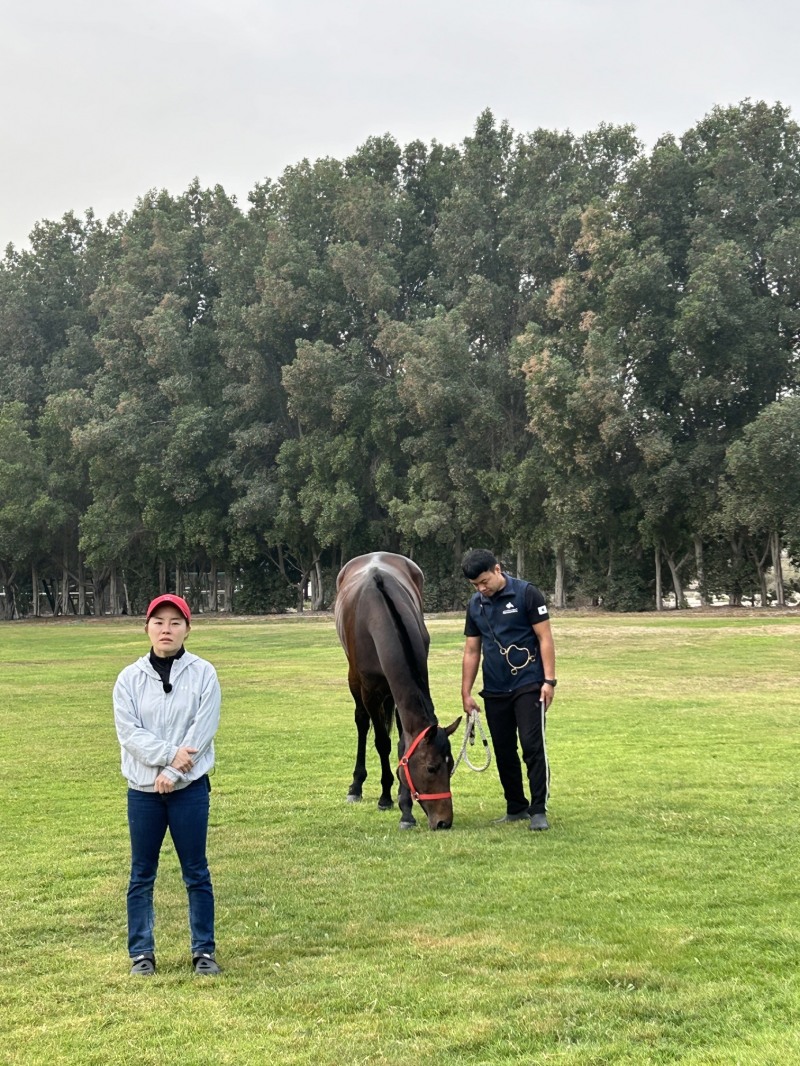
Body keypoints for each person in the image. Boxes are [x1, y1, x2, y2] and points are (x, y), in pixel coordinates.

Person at [113, 593, 222, 976]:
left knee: (196, 871)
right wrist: (167, 758)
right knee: (142, 873)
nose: (166, 629)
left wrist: (175, 772)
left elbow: (203, 729)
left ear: (187, 629)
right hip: (143, 792)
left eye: (175, 622)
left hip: (189, 790)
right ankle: (142, 954)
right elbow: (130, 734)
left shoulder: (204, 673)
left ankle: (203, 952)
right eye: (159, 622)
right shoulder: (129, 678)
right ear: (146, 628)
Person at [461, 549, 556, 831]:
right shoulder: (475, 605)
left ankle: (538, 809)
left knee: (531, 745)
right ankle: (516, 806)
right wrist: (466, 693)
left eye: (484, 581)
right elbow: (471, 650)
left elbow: (545, 637)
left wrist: (549, 681)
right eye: (475, 585)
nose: (481, 588)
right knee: (504, 750)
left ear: (498, 569)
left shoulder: (527, 594)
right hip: (494, 687)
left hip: (529, 683)